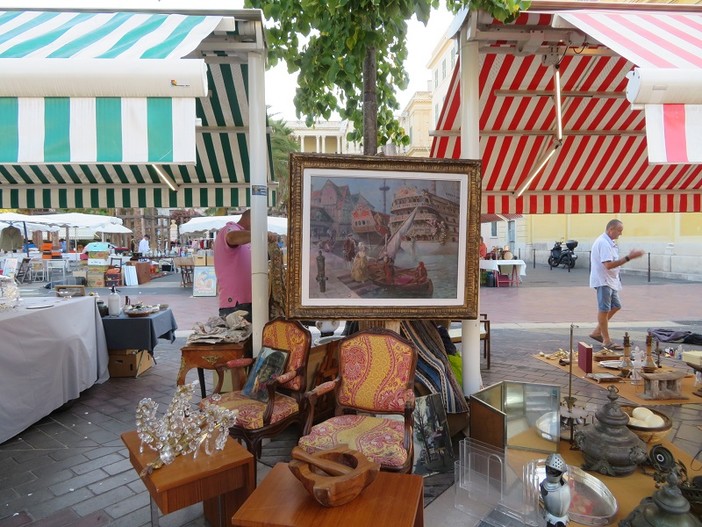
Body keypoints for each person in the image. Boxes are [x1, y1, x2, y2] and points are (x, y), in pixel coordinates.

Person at [589, 219, 645, 349]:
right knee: (604, 309)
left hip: (610, 281)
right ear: (611, 229)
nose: (620, 234)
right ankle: (606, 340)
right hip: (604, 280)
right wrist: (628, 258)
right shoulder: (603, 243)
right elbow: (608, 265)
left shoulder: (610, 242)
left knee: (616, 306)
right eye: (619, 231)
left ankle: (597, 331)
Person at [214, 209, 277, 322]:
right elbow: (231, 237)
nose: (262, 227)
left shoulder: (249, 239)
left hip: (251, 301)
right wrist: (261, 234)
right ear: (253, 219)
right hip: (236, 304)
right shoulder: (230, 229)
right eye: (261, 223)